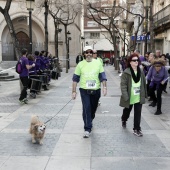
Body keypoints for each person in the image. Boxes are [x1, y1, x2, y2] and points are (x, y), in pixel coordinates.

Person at [72, 46, 107, 138]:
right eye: (87, 52)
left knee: (93, 109)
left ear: (92, 53)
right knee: (86, 108)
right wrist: (74, 91)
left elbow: (102, 76)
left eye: (90, 52)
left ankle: (90, 119)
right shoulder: (80, 64)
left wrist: (104, 87)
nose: (89, 54)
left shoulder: (98, 63)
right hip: (84, 90)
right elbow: (75, 79)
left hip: (96, 90)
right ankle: (87, 128)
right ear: (84, 54)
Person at [120, 53, 147, 137]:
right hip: (130, 96)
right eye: (134, 60)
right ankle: (124, 119)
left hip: (139, 95)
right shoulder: (126, 72)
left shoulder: (141, 71)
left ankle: (137, 129)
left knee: (138, 113)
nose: (136, 62)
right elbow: (123, 85)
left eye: (137, 60)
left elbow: (143, 83)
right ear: (130, 62)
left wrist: (145, 93)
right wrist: (125, 95)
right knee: (127, 111)